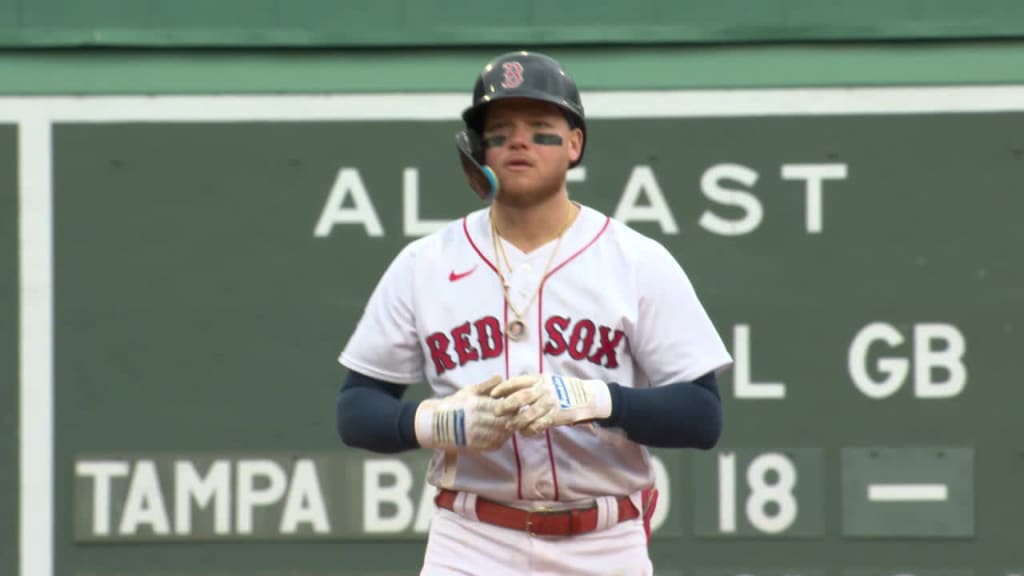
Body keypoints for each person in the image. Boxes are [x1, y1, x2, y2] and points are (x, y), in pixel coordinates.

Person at [336, 50, 733, 576]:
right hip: (471, 541)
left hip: (604, 541)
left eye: (540, 127)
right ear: (478, 151)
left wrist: (592, 399)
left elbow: (701, 417)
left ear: (575, 143)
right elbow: (357, 410)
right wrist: (441, 421)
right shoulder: (425, 263)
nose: (518, 141)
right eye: (500, 131)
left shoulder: (635, 259)